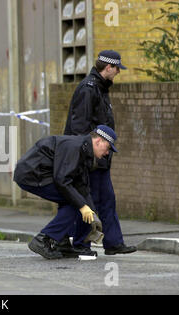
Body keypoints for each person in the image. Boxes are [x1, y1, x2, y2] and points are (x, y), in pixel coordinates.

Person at [63, 50, 136, 255]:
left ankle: (113, 243)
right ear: (108, 67)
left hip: (101, 158)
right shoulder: (89, 89)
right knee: (88, 200)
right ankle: (80, 244)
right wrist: (88, 156)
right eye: (117, 69)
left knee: (107, 200)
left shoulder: (100, 89)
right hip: (90, 158)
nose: (118, 73)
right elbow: (79, 128)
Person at [14, 126, 116, 259]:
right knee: (73, 203)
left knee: (75, 200)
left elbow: (81, 186)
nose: (107, 153)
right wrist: (82, 205)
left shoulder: (84, 151)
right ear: (98, 141)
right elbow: (62, 180)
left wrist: (92, 212)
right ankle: (43, 239)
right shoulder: (75, 147)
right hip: (31, 174)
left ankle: (62, 242)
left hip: (42, 174)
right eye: (107, 148)